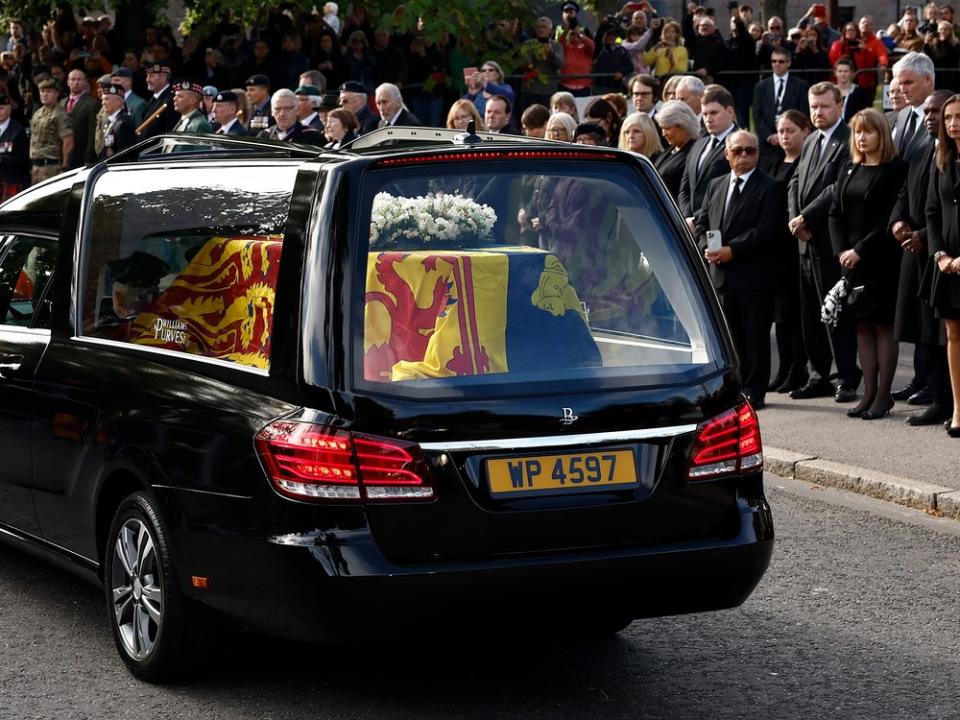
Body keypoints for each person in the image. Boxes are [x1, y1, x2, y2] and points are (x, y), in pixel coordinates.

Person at [694, 130, 786, 409]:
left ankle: (756, 389)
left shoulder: (771, 186)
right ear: (727, 154)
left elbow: (767, 230)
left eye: (750, 151)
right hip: (720, 276)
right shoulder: (716, 184)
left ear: (758, 153)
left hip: (754, 275)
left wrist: (732, 249)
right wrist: (704, 247)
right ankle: (734, 386)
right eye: (738, 151)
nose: (744, 156)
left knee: (755, 336)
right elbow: (702, 222)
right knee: (729, 337)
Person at [828, 109, 907, 419]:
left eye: (868, 132)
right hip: (850, 261)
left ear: (881, 135)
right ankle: (869, 393)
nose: (861, 138)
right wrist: (841, 251)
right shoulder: (848, 168)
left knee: (882, 327)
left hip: (881, 259)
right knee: (861, 327)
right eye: (857, 132)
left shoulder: (895, 169)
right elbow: (835, 212)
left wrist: (860, 250)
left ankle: (883, 396)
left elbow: (889, 217)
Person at [787, 82, 860, 402]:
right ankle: (819, 375)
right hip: (803, 241)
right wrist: (795, 218)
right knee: (810, 315)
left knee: (835, 312)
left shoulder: (847, 140)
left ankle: (845, 375)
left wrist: (807, 218)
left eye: (824, 106)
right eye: (813, 107)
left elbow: (837, 187)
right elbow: (795, 182)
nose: (818, 112)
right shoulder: (812, 139)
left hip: (828, 239)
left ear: (839, 105)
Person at [890, 90, 953, 425]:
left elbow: (944, 211)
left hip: (940, 252)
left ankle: (943, 398)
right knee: (924, 330)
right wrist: (898, 222)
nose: (929, 117)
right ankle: (932, 390)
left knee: (945, 334)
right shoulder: (920, 149)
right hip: (915, 253)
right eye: (927, 112)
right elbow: (905, 192)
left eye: (936, 112)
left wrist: (926, 238)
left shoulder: (951, 155)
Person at [768, 109, 813, 393]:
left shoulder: (806, 162)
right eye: (782, 131)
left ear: (805, 132)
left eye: (791, 131)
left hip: (796, 245)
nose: (785, 136)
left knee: (797, 313)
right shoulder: (773, 163)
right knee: (780, 315)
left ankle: (799, 368)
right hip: (775, 249)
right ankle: (784, 368)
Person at [927, 93, 960, 436]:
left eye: (958, 116)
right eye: (948, 117)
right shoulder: (942, 159)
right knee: (953, 334)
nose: (952, 123)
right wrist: (941, 255)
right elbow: (932, 213)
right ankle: (958, 409)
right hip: (948, 265)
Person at [678, 84, 738, 221]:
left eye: (714, 113)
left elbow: (733, 190)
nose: (708, 119)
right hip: (691, 227)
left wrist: (697, 219)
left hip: (721, 223)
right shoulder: (698, 144)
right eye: (705, 114)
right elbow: (685, 188)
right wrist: (688, 217)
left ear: (730, 112)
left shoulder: (742, 146)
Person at [752, 48, 809, 170]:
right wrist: (770, 136)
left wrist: (787, 134)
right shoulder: (761, 86)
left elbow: (803, 113)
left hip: (792, 145)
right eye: (773, 61)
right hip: (767, 146)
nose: (776, 64)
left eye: (781, 61)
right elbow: (757, 115)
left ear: (788, 63)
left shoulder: (800, 85)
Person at [29, 78, 73, 184]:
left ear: (56, 93)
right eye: (42, 91)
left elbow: (68, 141)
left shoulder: (60, 114)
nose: (45, 95)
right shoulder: (37, 113)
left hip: (51, 167)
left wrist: (65, 166)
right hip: (36, 167)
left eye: (49, 91)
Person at [653, 99, 699, 201]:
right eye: (662, 128)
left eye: (668, 128)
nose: (664, 134)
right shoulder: (670, 150)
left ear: (684, 125)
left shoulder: (694, 153)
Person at [518, 17, 564, 108]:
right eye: (538, 27)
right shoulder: (528, 44)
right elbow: (523, 63)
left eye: (544, 27)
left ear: (550, 30)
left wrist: (551, 53)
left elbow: (560, 64)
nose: (541, 29)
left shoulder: (556, 45)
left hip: (549, 89)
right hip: (530, 89)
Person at [61, 69, 99, 168]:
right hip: (62, 157)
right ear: (68, 82)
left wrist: (89, 159)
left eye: (79, 79)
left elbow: (92, 134)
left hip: (81, 157)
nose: (76, 82)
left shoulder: (92, 104)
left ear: (85, 82)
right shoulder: (61, 103)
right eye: (72, 79)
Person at [258, 88, 323, 145]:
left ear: (297, 110)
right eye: (277, 109)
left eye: (287, 108)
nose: (282, 113)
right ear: (272, 112)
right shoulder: (264, 136)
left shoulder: (312, 136)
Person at [95, 84, 136, 160]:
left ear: (118, 102)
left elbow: (126, 155)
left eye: (106, 99)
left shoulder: (123, 123)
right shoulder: (110, 121)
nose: (103, 103)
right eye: (102, 99)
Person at [0, 93, 29, 200]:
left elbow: (23, 158)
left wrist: (2, 159)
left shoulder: (18, 131)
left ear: (9, 109)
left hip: (11, 180)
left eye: (1, 108)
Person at [141, 63, 178, 139]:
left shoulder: (171, 100)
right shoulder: (154, 99)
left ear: (163, 78)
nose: (147, 79)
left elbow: (169, 132)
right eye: (147, 76)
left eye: (151, 76)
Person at [923, 21, 960, 92]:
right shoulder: (933, 44)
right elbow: (927, 57)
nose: (943, 31)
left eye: (946, 29)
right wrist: (926, 43)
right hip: (937, 76)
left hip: (951, 76)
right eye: (941, 29)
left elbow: (950, 56)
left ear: (950, 31)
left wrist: (944, 41)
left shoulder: (955, 44)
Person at [834, 57, 873, 123]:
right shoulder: (830, 91)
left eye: (846, 71)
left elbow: (865, 114)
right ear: (835, 73)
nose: (843, 74)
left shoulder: (860, 93)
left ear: (851, 73)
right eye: (840, 71)